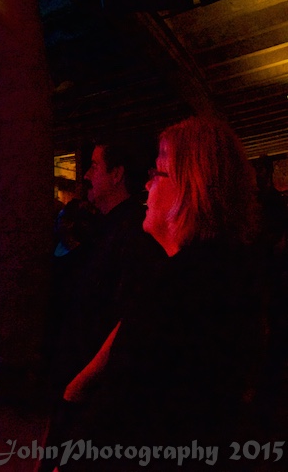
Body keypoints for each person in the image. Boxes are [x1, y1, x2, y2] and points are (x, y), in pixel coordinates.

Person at [54, 116, 265, 470]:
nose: (148, 186)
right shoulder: (216, 272)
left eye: (158, 173)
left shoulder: (187, 285)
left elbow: (135, 406)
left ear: (191, 186)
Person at [49, 138, 164, 394]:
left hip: (95, 386)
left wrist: (83, 381)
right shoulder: (105, 228)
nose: (87, 175)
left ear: (117, 175)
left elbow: (125, 319)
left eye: (94, 166)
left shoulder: (132, 232)